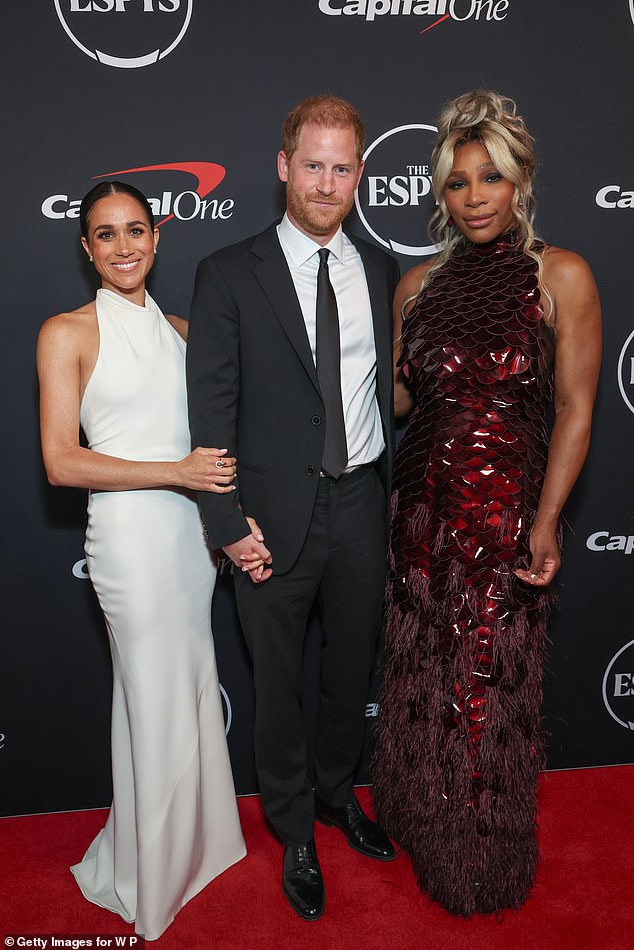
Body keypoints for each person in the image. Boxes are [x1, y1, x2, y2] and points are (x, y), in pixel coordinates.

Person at [372, 89, 601, 917]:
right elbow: (396, 405)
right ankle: (415, 815)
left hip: (504, 516)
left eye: (490, 178)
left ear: (520, 182)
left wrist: (545, 520)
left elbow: (575, 406)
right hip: (419, 512)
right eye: (457, 182)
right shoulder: (416, 285)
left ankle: (477, 866)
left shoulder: (561, 275)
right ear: (440, 192)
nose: (474, 197)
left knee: (485, 692)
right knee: (422, 676)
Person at [186, 95, 399, 921]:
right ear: (282, 165)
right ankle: (293, 829)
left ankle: (339, 794)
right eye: (312, 164)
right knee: (277, 684)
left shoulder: (377, 268)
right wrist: (227, 524)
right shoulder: (228, 272)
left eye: (342, 167)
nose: (326, 182)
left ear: (360, 174)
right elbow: (210, 412)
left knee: (350, 670)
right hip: (270, 518)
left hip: (361, 502)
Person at [36, 181, 247, 941]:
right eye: (105, 234)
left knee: (187, 689)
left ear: (157, 239)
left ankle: (201, 844)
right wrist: (176, 473)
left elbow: (219, 446)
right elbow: (62, 462)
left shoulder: (190, 332)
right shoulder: (67, 332)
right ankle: (148, 875)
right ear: (85, 246)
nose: (123, 246)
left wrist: (223, 508)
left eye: (135, 231)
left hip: (191, 544)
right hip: (129, 541)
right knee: (151, 700)